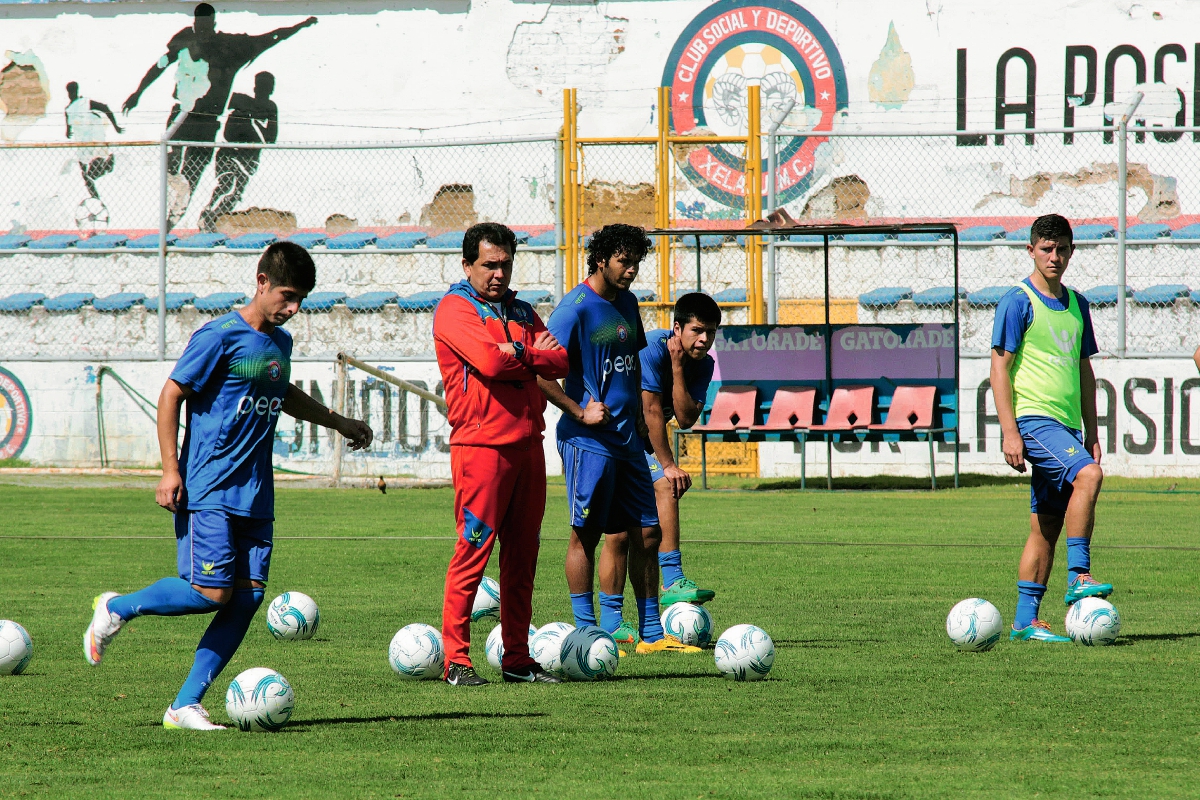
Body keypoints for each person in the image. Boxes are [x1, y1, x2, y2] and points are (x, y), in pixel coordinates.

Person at [82, 242, 373, 728]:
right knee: (210, 593)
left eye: (301, 299)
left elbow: (283, 394)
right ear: (261, 282)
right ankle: (117, 607)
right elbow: (173, 393)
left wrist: (337, 421)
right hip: (209, 486)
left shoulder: (280, 343)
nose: (293, 308)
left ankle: (184, 706)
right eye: (286, 295)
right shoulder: (219, 336)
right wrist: (170, 469)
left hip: (256, 493)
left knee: (248, 598)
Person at [540, 224, 701, 655]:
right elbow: (540, 370)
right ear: (600, 260)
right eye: (623, 262)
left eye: (636, 263)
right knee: (586, 535)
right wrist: (578, 410)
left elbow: (629, 369)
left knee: (648, 532)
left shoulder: (628, 303)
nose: (631, 271)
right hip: (588, 441)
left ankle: (652, 634)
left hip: (629, 441)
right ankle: (588, 631)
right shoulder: (574, 309)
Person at [433, 223, 569, 686]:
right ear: (467, 264)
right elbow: (491, 363)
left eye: (505, 263)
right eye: (489, 264)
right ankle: (457, 660)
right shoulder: (454, 310)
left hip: (530, 447)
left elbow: (563, 361)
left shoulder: (522, 310)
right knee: (473, 551)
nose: (498, 272)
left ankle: (517, 659)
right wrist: (530, 353)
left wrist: (515, 350)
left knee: (522, 557)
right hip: (481, 449)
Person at [990, 213, 1112, 643]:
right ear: (1031, 250)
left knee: (1046, 526)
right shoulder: (1017, 301)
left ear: (1071, 250)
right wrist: (1010, 431)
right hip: (1034, 421)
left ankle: (1025, 620)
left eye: (1061, 248)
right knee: (1089, 476)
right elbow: (999, 370)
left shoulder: (1079, 304)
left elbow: (1085, 373)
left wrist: (1093, 433)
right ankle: (1079, 575)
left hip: (1066, 429)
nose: (1054, 256)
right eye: (1046, 248)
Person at [594, 292, 721, 646]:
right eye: (697, 330)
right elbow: (651, 412)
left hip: (638, 442)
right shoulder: (650, 347)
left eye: (710, 333)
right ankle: (670, 580)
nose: (704, 339)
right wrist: (667, 464)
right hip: (611, 438)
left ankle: (623, 622)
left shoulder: (703, 364)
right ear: (676, 327)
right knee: (624, 527)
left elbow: (685, 417)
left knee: (640, 535)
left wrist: (678, 369)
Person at [123, 3, 316, 228]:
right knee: (174, 167)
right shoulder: (185, 41)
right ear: (195, 24)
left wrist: (299, 26)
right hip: (183, 115)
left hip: (206, 122)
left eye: (205, 26)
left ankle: (170, 223)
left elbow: (270, 37)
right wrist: (138, 92)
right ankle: (171, 213)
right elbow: (160, 64)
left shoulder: (229, 46)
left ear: (212, 24)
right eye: (199, 26)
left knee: (191, 175)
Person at [199, 71, 278, 233]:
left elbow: (270, 138)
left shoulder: (270, 108)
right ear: (255, 87)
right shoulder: (242, 101)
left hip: (249, 159)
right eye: (260, 86)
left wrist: (250, 123)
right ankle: (207, 215)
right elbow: (229, 132)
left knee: (235, 193)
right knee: (226, 185)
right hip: (229, 153)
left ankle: (213, 218)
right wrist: (249, 125)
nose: (262, 90)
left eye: (267, 87)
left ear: (271, 90)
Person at [64, 82, 124, 200]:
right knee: (85, 174)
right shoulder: (68, 110)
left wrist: (115, 126)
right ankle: (95, 198)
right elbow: (68, 124)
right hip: (82, 144)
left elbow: (104, 108)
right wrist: (68, 131)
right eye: (70, 92)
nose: (72, 94)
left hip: (95, 140)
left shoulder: (85, 102)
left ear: (77, 91)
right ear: (68, 93)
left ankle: (107, 166)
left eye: (73, 91)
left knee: (93, 171)